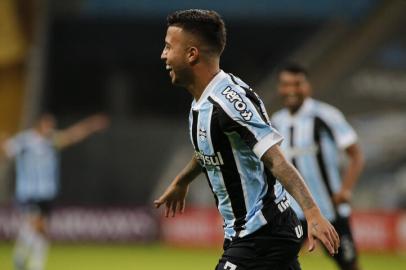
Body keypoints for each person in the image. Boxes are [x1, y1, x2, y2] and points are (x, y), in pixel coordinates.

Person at [154, 9, 339, 270]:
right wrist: (181, 181)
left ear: (192, 54)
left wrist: (312, 212)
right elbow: (211, 149)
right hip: (252, 236)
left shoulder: (228, 103)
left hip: (262, 235)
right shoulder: (203, 102)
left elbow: (276, 161)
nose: (163, 55)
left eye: (168, 47)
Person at [271, 63, 364, 270]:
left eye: (297, 84)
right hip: (292, 213)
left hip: (329, 210)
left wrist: (346, 190)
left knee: (349, 265)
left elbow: (356, 155)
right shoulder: (275, 122)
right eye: (286, 84)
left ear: (307, 86)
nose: (292, 90)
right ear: (280, 88)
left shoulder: (326, 115)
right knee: (276, 264)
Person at [0, 113, 109, 270]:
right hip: (29, 192)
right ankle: (32, 264)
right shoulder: (24, 141)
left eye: (51, 126)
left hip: (47, 192)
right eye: (47, 125)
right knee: (38, 227)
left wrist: (91, 125)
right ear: (38, 125)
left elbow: (72, 135)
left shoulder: (51, 141)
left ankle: (23, 258)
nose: (50, 129)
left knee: (39, 231)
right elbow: (5, 150)